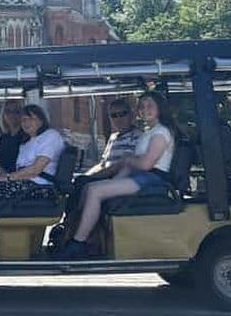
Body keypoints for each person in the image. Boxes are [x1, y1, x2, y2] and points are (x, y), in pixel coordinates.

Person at [55, 91, 177, 260]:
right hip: (139, 176)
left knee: (95, 191)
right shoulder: (151, 131)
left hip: (151, 180)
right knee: (90, 187)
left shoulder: (161, 132)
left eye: (150, 105)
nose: (145, 109)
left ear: (159, 108)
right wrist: (114, 178)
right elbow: (132, 164)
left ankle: (79, 243)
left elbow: (145, 164)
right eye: (142, 106)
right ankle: (79, 233)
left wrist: (127, 160)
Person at [0, 104, 65, 260]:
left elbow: (35, 169)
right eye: (24, 119)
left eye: (31, 119)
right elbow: (16, 170)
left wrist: (4, 178)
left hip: (42, 188)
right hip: (27, 184)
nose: (26, 123)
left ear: (41, 120)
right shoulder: (26, 143)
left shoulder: (50, 136)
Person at [0, 100, 28, 174]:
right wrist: (0, 172)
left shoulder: (27, 137)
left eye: (16, 111)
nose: (12, 115)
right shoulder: (1, 139)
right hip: (2, 177)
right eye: (8, 111)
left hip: (20, 178)